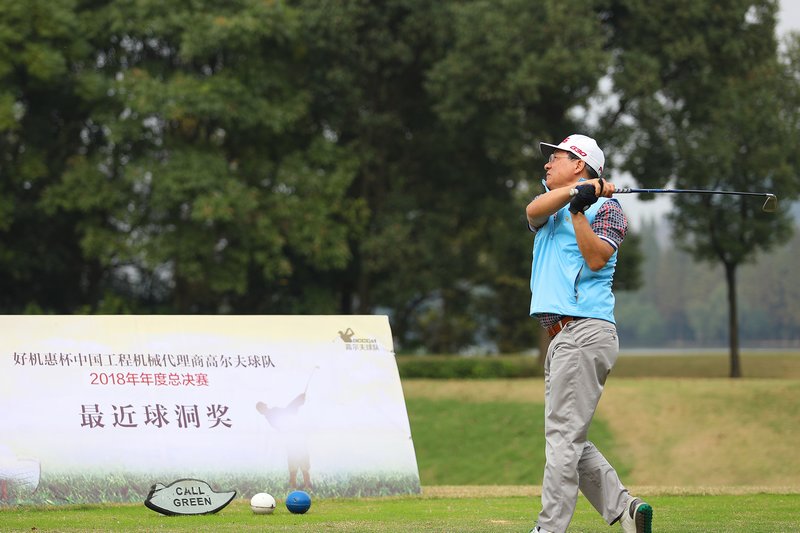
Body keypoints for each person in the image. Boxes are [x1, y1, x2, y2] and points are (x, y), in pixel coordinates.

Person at [525, 134, 653, 533]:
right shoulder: (551, 205)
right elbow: (532, 210)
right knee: (568, 436)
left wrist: (581, 210)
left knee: (563, 438)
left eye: (556, 157)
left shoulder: (610, 209)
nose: (547, 163)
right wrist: (574, 196)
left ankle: (550, 528)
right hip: (563, 337)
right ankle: (626, 509)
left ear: (579, 163)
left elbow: (597, 259)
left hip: (584, 330)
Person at [256, 393, 312, 490]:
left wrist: (298, 401)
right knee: (300, 460)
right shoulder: (272, 413)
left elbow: (288, 411)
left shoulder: (270, 416)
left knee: (295, 461)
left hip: (292, 438)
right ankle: (303, 484)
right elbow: (288, 411)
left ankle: (297, 485)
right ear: (263, 408)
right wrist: (298, 401)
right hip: (294, 437)